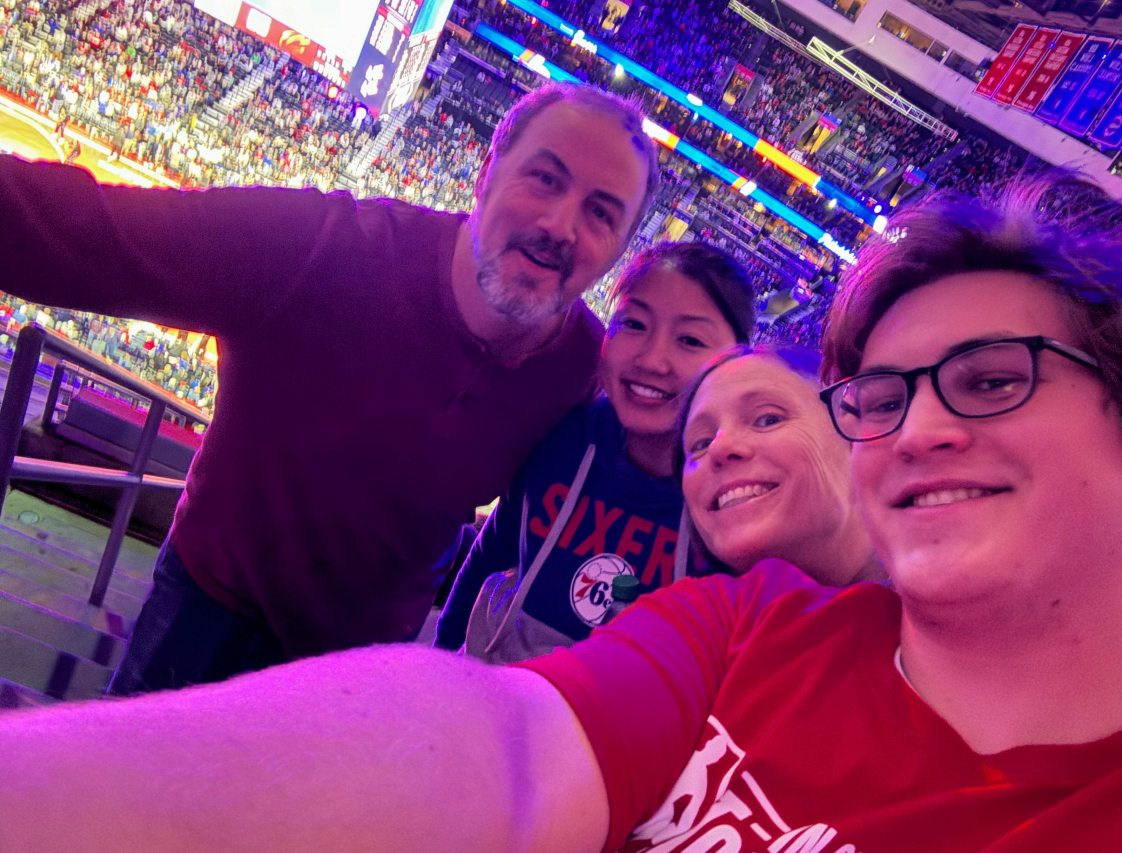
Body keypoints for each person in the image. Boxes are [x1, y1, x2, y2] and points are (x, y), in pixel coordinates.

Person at [4, 174, 1122, 853]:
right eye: (883, 395)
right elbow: (500, 747)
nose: (922, 427)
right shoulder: (748, 627)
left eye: (991, 380)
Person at [0, 80, 659, 693]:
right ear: (488, 170)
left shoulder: (586, 375)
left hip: (356, 670)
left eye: (601, 214)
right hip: (204, 611)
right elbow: (86, 232)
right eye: (545, 178)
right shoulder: (326, 248)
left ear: (617, 250)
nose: (561, 226)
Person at [436, 241, 755, 662]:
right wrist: (439, 664)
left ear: (738, 362)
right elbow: (489, 557)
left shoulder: (742, 501)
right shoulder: (559, 433)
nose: (652, 360)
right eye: (634, 323)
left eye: (690, 340)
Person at [675, 344, 881, 586]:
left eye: (767, 419)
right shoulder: (681, 607)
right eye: (701, 443)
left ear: (855, 436)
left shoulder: (920, 594)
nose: (718, 447)